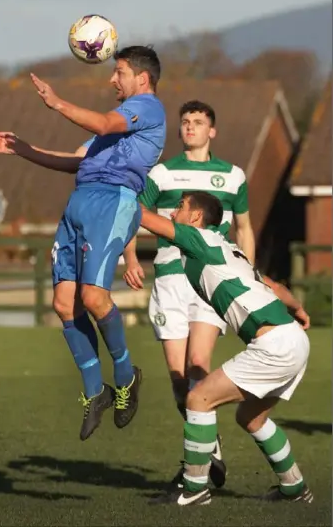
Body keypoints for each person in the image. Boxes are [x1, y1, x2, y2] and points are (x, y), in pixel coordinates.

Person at [0, 45, 166, 440]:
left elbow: (104, 124)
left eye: (118, 71)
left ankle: (125, 377)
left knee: (92, 298)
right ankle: (95, 392)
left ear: (141, 78)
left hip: (112, 201)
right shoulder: (114, 126)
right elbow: (76, 161)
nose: (111, 79)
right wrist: (24, 150)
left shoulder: (148, 109)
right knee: (62, 302)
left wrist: (57, 103)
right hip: (81, 200)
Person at [139, 191, 312, 505]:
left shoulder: (198, 239)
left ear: (195, 218)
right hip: (293, 339)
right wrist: (298, 309)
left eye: (181, 205)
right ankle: (294, 487)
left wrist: (112, 189)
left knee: (198, 398)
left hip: (274, 344)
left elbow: (144, 218)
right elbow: (272, 287)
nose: (174, 210)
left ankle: (194, 490)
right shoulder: (228, 249)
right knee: (252, 418)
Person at [123, 100, 255, 488]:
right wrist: (130, 256)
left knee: (199, 364)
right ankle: (209, 449)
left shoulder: (233, 176)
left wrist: (247, 270)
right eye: (185, 122)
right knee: (179, 378)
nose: (190, 127)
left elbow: (244, 228)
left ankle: (194, 472)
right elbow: (134, 214)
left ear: (212, 131)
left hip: (211, 280)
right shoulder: (161, 173)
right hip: (169, 279)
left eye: (198, 122)